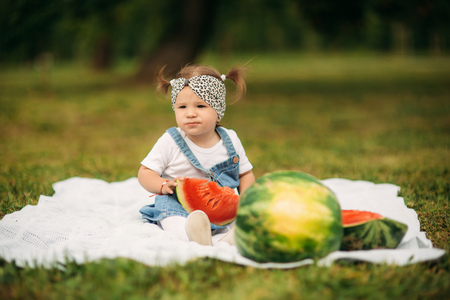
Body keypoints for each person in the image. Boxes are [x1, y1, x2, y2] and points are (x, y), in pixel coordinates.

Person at [138, 64, 255, 246]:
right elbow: (145, 172)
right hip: (178, 205)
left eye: (200, 106)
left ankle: (234, 235)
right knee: (171, 220)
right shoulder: (170, 140)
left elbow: (245, 174)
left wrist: (247, 203)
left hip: (221, 205)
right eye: (182, 107)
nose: (190, 113)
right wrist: (161, 185)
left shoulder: (230, 139)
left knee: (243, 219)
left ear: (218, 112)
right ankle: (192, 233)